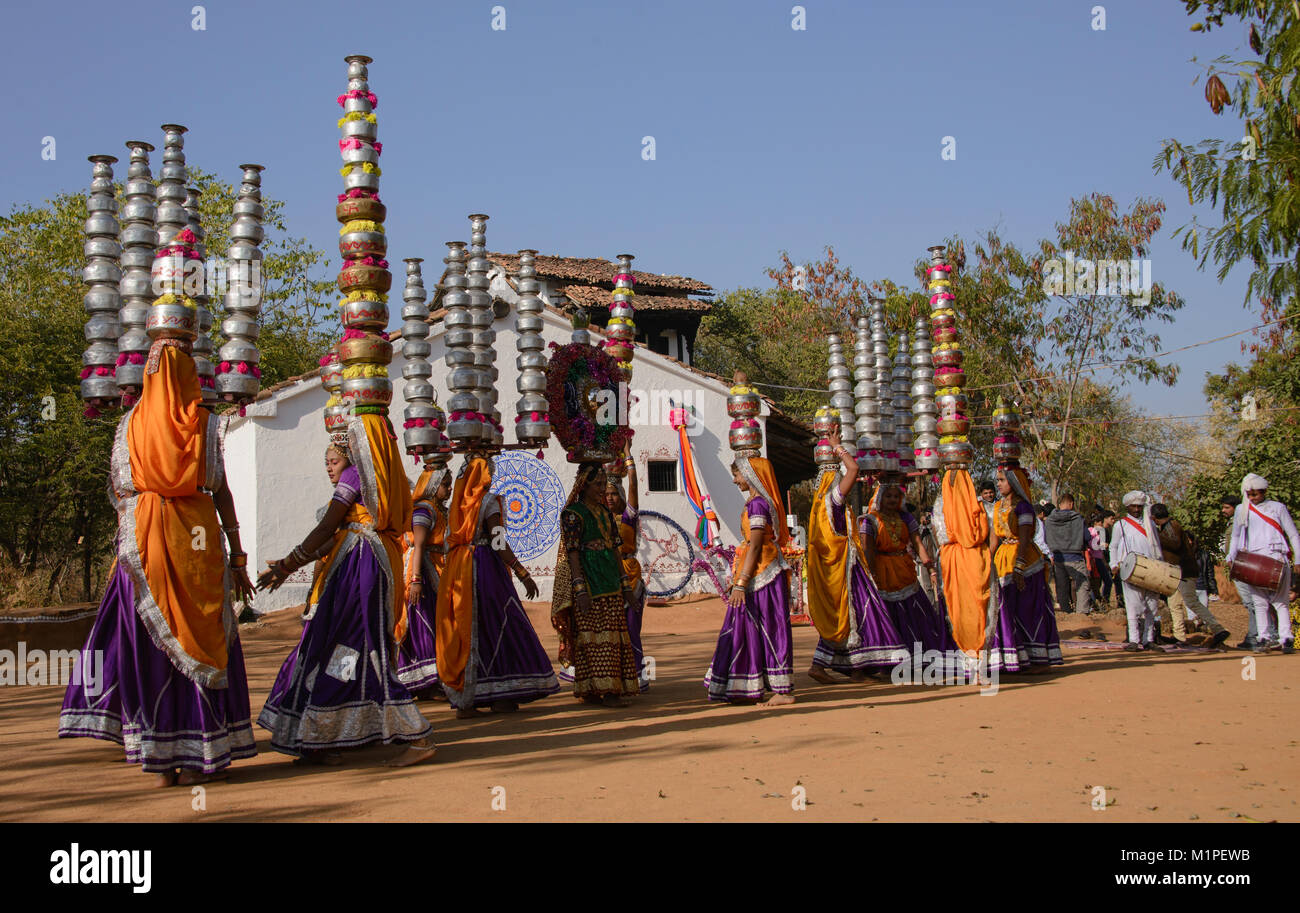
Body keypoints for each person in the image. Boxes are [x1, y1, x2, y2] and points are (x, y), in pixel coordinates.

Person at [59, 336, 257, 787]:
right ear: (189, 376)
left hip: (143, 544)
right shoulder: (204, 425)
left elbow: (119, 491)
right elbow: (219, 489)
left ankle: (160, 758)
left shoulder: (129, 423)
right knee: (200, 637)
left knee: (151, 649)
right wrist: (238, 554)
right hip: (196, 544)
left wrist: (136, 526)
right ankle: (201, 752)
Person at [258, 426, 435, 767]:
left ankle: (418, 734)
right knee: (344, 650)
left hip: (363, 571)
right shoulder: (367, 491)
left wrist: (287, 564)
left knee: (364, 648)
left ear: (352, 455)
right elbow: (330, 539)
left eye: (333, 460)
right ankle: (330, 732)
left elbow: (327, 527)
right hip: (359, 567)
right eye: (326, 462)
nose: (329, 467)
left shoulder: (355, 476)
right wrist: (288, 564)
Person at [436, 453, 560, 716]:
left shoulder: (458, 505)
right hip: (484, 568)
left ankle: (466, 699)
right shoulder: (488, 502)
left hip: (458, 568)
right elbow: (498, 542)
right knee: (501, 621)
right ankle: (501, 692)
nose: (492, 478)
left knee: (467, 628)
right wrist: (521, 570)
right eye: (488, 472)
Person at [804, 425, 908, 684]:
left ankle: (837, 666)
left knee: (845, 617)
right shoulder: (834, 496)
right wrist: (839, 447)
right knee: (861, 613)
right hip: (847, 567)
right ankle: (856, 669)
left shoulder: (820, 500)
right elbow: (854, 469)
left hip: (839, 566)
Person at [704, 452, 795, 704]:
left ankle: (780, 692)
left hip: (760, 573)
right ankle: (752, 684)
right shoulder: (758, 502)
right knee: (755, 627)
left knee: (767, 627)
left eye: (737, 474)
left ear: (751, 475)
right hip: (760, 571)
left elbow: (755, 545)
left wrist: (741, 583)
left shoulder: (757, 504)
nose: (735, 480)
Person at [550, 462, 642, 706]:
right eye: (598, 484)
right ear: (584, 485)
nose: (602, 489)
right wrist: (579, 586)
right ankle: (591, 689)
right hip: (589, 581)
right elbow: (572, 552)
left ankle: (612, 690)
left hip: (611, 579)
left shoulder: (605, 513)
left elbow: (614, 547)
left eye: (604, 484)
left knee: (613, 636)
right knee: (589, 637)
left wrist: (625, 585)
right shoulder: (572, 514)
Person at [862, 480, 956, 658]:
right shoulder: (871, 520)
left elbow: (918, 544)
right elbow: (868, 549)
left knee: (916, 614)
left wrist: (931, 569)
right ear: (880, 497)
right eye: (888, 496)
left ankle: (921, 655)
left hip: (905, 571)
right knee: (888, 615)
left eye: (896, 496)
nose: (892, 499)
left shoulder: (906, 518)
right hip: (882, 573)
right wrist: (869, 573)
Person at [987, 463, 1064, 671]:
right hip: (1002, 562)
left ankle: (1036, 658)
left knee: (1028, 609)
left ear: (1014, 482)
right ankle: (1013, 657)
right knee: (1004, 609)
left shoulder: (1023, 507)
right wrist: (986, 563)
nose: (999, 484)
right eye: (999, 480)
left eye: (1002, 480)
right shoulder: (996, 506)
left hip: (1026, 561)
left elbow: (1024, 537)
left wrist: (1019, 566)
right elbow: (994, 539)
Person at [1226, 473, 1300, 653]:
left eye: (1256, 494)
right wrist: (1231, 557)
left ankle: (1286, 638)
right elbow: (1235, 535)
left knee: (1281, 602)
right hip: (1253, 560)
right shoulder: (1241, 510)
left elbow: (1292, 534)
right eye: (1249, 494)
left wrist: (1298, 559)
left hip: (1276, 557)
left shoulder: (1277, 508)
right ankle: (1264, 637)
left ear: (1264, 492)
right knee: (1259, 602)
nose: (1252, 498)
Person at [398, 457, 452, 696]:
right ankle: (427, 680)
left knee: (433, 622)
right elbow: (418, 546)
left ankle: (430, 679)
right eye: (445, 485)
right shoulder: (424, 509)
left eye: (449, 484)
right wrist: (416, 580)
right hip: (422, 571)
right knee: (423, 622)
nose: (449, 489)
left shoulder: (439, 509)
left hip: (437, 568)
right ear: (433, 486)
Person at [1150, 503, 1231, 647]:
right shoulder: (1168, 526)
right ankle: (1179, 636)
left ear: (1154, 517)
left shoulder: (1172, 525)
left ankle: (1218, 630)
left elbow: (1175, 543)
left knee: (1191, 602)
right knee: (1174, 603)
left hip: (1184, 571)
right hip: (1177, 572)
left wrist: (1156, 537)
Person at [606, 449, 649, 691]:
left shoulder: (628, 516)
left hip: (630, 575)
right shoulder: (601, 517)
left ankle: (638, 678)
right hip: (608, 576)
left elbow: (633, 487)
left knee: (631, 629)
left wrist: (628, 456)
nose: (610, 498)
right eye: (606, 494)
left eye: (613, 493)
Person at [1109, 490, 1167, 652]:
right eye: (1133, 506)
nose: (1136, 509)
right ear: (1128, 507)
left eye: (1139, 506)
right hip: (1130, 569)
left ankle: (1148, 639)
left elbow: (1156, 547)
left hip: (1151, 569)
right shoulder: (1120, 525)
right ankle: (1134, 640)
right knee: (1133, 605)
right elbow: (1113, 546)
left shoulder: (1150, 525)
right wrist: (1114, 563)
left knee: (1151, 606)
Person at [1221, 495, 1262, 648]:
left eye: (1227, 507)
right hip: (1237, 567)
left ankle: (1256, 636)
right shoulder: (1233, 523)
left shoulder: (1242, 522)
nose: (1223, 510)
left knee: (1252, 603)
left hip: (1244, 567)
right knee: (1251, 603)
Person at [1043, 492, 1092, 614]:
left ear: (1059, 505)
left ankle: (1065, 613)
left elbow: (1045, 539)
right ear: (1071, 504)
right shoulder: (1078, 519)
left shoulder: (1049, 520)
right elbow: (1087, 537)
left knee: (1061, 587)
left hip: (1058, 558)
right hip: (1075, 557)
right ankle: (1082, 614)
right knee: (1082, 584)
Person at [1087, 514, 1113, 606]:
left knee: (1107, 581)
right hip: (1093, 560)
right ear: (1095, 523)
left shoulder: (1100, 532)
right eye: (1100, 522)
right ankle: (1094, 603)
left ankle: (1104, 600)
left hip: (1099, 559)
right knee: (1095, 583)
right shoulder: (1090, 531)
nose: (1102, 524)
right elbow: (1092, 546)